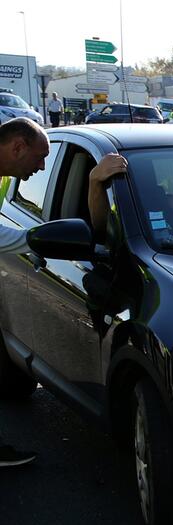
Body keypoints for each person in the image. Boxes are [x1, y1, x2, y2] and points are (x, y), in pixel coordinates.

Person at [0, 118, 51, 467]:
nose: (42, 166)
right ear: (18, 146)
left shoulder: (4, 177)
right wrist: (35, 239)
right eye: (39, 157)